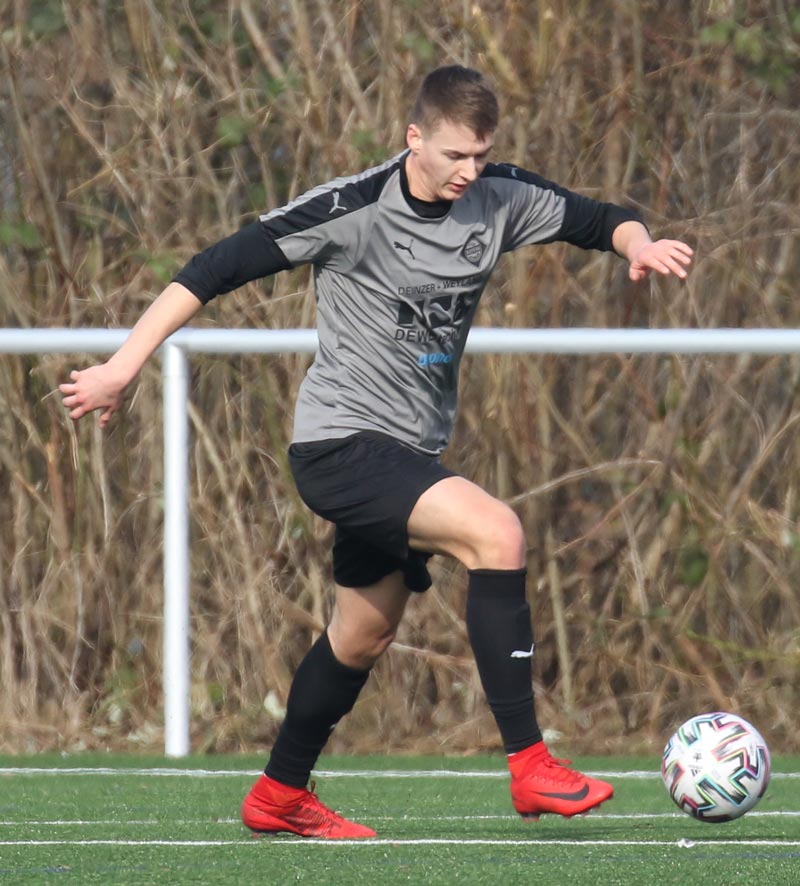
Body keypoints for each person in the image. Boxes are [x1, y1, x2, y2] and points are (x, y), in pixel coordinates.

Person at [60, 65, 693, 839]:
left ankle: (278, 794)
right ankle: (531, 765)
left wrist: (639, 244)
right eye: (454, 155)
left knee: (362, 634)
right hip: (341, 445)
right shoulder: (350, 209)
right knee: (497, 534)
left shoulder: (499, 196)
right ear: (413, 138)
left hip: (408, 455)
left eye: (482, 155)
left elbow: (600, 219)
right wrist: (122, 368)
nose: (469, 172)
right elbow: (211, 270)